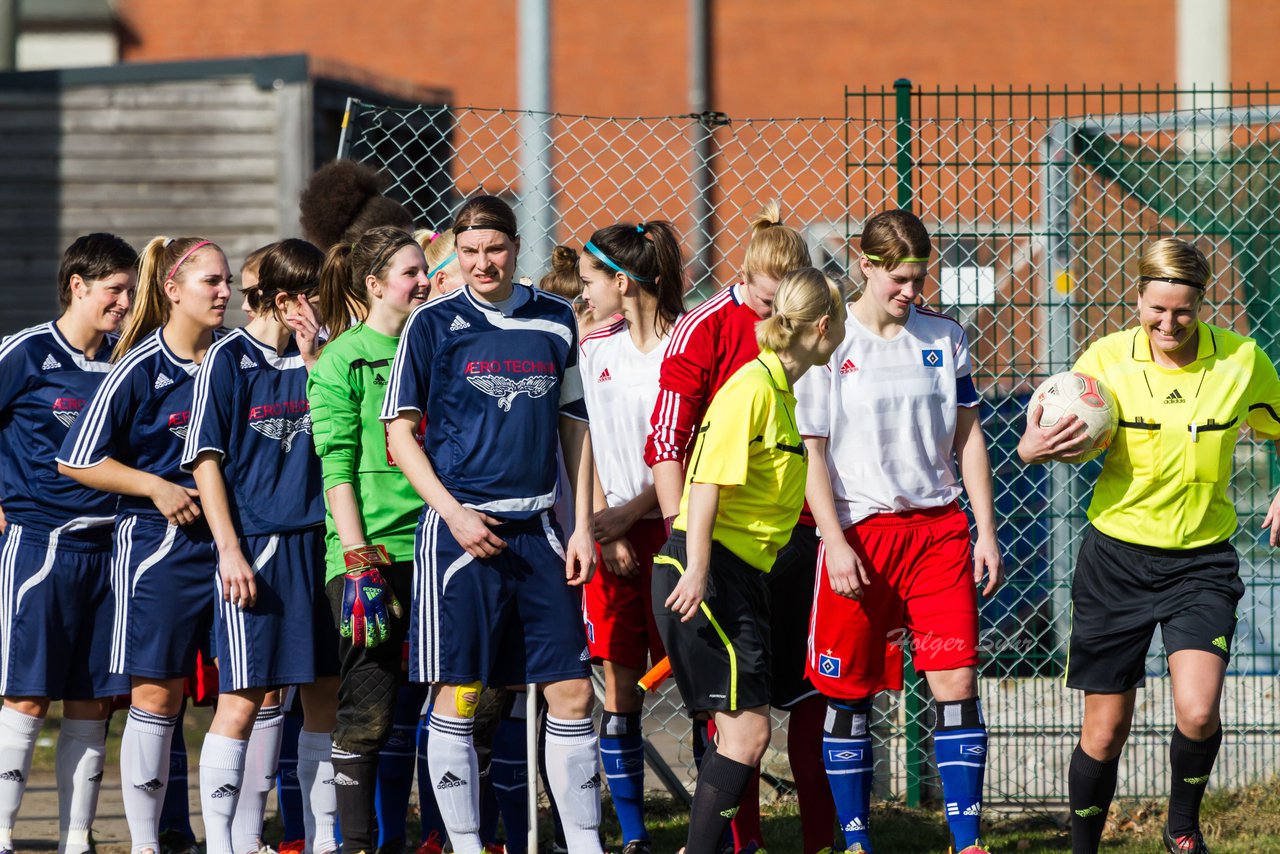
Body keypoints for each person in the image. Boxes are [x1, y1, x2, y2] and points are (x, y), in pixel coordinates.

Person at [1017, 237, 1280, 854]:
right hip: (1116, 561)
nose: (1168, 323)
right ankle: (1085, 848)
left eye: (1183, 311)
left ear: (1202, 304)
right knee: (1105, 733)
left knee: (1197, 710)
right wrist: (1032, 448)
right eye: (1155, 309)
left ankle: (1181, 829)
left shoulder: (1241, 361)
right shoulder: (1103, 363)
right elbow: (1044, 433)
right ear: (1137, 298)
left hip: (1202, 562)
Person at [381, 195, 601, 854]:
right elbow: (400, 436)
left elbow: (576, 429)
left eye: (495, 250)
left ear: (515, 247)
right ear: (457, 250)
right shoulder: (432, 324)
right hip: (458, 535)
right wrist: (453, 514)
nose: (483, 263)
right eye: (470, 252)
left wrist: (581, 524)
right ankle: (468, 844)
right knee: (463, 690)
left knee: (569, 690)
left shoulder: (556, 319)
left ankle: (586, 844)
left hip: (538, 531)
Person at [796, 210, 1002, 854]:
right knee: (849, 692)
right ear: (866, 264)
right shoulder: (829, 342)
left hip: (938, 533)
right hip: (859, 535)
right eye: (901, 280)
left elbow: (969, 436)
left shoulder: (945, 336)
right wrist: (833, 541)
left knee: (956, 680)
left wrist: (985, 532)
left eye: (920, 278)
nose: (913, 292)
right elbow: (813, 455)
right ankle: (857, 842)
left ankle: (965, 842)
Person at [644, 202, 834, 853]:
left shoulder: (782, 388)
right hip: (713, 572)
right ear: (823, 326)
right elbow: (705, 480)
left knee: (745, 734)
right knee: (747, 734)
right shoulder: (752, 387)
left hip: (741, 572)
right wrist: (694, 565)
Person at [56, 236, 232, 854]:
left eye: (229, 281)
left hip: (234, 542)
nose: (224, 292)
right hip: (160, 545)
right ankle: (145, 842)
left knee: (245, 691)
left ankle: (231, 838)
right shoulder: (139, 365)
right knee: (158, 693)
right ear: (173, 290)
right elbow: (77, 459)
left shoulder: (232, 358)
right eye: (211, 281)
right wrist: (155, 486)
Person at [181, 238, 339, 854]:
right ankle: (223, 843)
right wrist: (228, 549)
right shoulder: (228, 359)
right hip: (258, 550)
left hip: (320, 546)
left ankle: (324, 837)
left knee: (324, 694)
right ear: (287, 299)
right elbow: (205, 461)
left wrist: (316, 356)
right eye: (319, 298)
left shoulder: (325, 357)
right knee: (243, 698)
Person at [0, 234, 137, 854]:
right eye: (115, 291)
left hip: (113, 551)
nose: (125, 303)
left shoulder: (127, 360)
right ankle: (3, 831)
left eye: (132, 291)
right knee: (27, 693)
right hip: (40, 547)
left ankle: (76, 837)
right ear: (78, 285)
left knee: (93, 700)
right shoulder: (26, 353)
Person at [307, 225, 431, 854]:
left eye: (424, 269)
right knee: (368, 709)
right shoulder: (342, 358)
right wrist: (358, 561)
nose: (424, 281)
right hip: (373, 555)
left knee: (469, 700)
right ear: (374, 285)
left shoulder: (437, 342)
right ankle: (357, 844)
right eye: (410, 272)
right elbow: (336, 467)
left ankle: (448, 836)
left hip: (441, 546)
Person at [577, 220, 685, 853]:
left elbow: (691, 446)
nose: (583, 295)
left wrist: (636, 511)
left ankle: (721, 828)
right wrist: (603, 524)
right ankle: (636, 836)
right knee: (619, 693)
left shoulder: (686, 341)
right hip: (614, 540)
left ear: (622, 281)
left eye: (590, 282)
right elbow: (584, 438)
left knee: (701, 688)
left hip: (674, 531)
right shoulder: (595, 348)